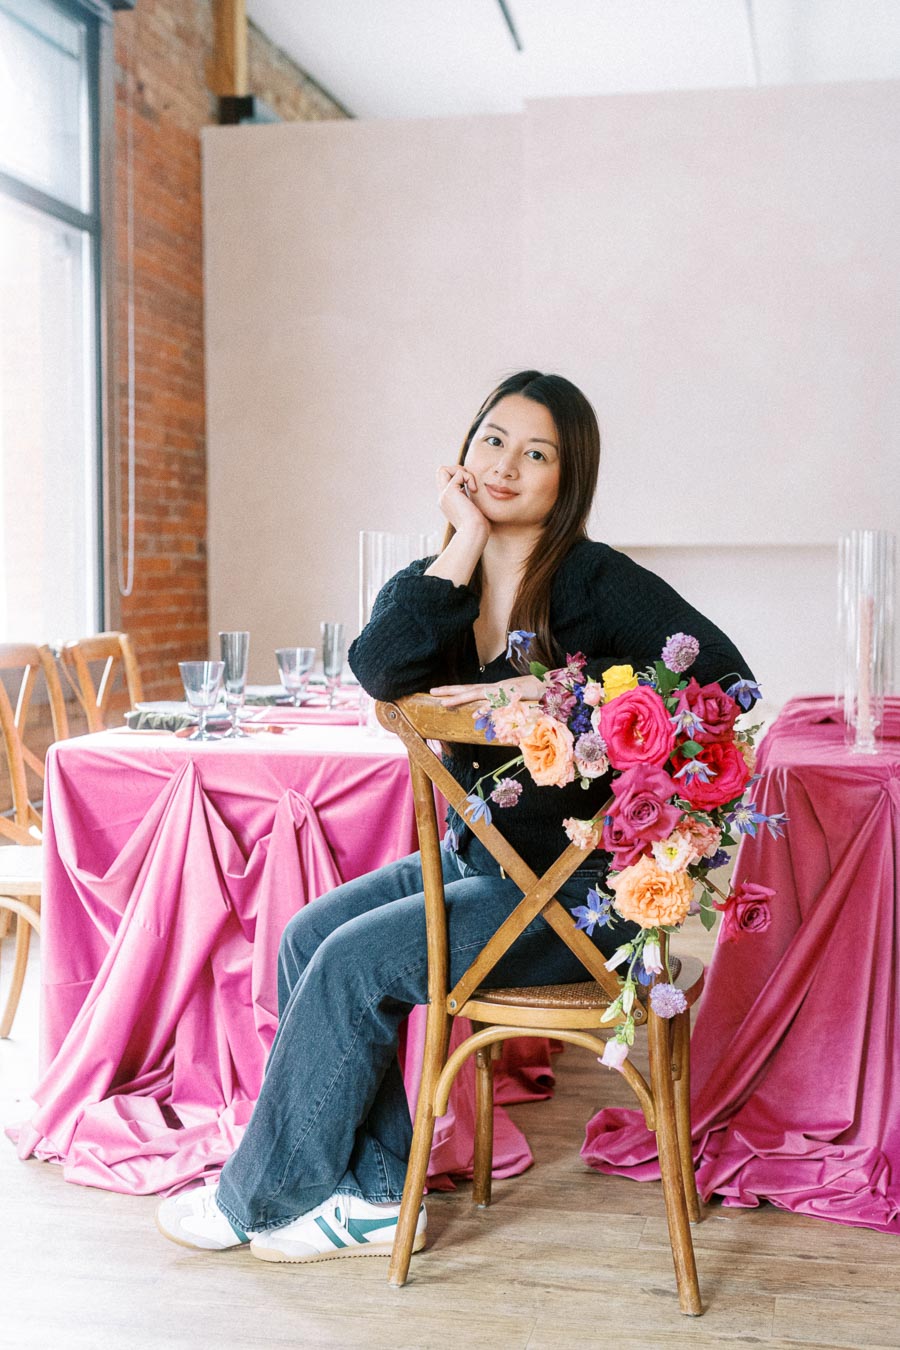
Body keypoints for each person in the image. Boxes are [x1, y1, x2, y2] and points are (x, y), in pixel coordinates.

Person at [156, 370, 755, 1262]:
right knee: (306, 937)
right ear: (466, 452)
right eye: (493, 441)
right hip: (480, 867)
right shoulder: (440, 585)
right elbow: (379, 668)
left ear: (569, 478)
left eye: (537, 453)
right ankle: (371, 1197)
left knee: (354, 963)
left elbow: (728, 681)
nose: (506, 465)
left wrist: (564, 690)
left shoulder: (598, 581)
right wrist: (465, 539)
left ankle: (257, 1198)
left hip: (578, 896)